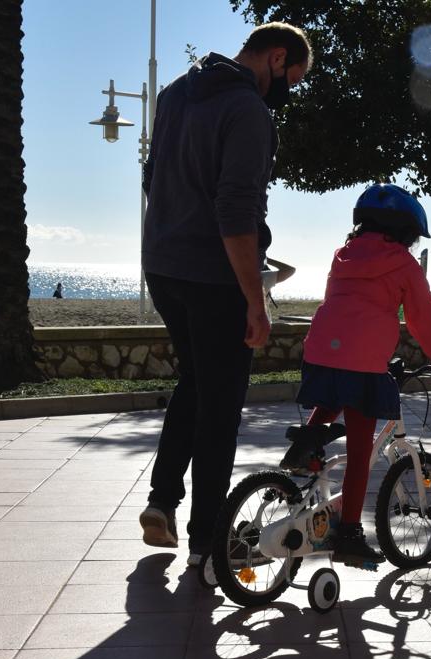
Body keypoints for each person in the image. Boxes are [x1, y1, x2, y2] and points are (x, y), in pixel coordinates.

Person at [137, 22, 313, 572]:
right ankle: (209, 541)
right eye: (293, 79)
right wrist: (254, 300)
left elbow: (152, 178)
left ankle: (162, 499)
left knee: (194, 380)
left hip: (164, 267)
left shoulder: (173, 96)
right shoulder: (248, 112)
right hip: (216, 277)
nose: (287, 91)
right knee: (220, 409)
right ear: (277, 56)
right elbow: (236, 212)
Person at [281, 184, 431, 565]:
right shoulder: (404, 265)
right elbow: (424, 319)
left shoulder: (342, 255)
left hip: (320, 352)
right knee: (360, 455)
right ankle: (348, 535)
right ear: (407, 230)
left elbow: (344, 307)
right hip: (363, 363)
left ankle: (304, 446)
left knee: (331, 399)